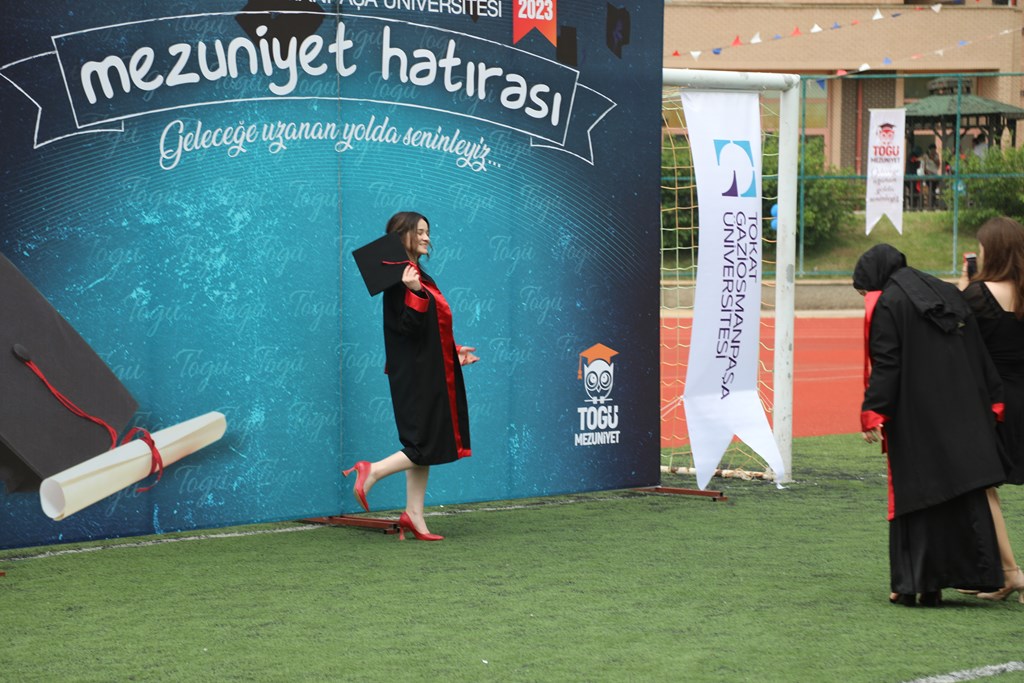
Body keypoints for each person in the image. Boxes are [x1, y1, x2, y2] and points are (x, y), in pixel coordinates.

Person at [855, 244, 1006, 606]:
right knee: (960, 492)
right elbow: (977, 350)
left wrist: (873, 410)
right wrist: (993, 396)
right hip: (963, 409)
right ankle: (956, 579)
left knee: (916, 493)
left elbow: (887, 363)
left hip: (916, 415)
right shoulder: (946, 292)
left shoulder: (889, 302)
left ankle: (913, 584)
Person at [343, 211, 479, 541]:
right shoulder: (400, 280)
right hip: (415, 375)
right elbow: (405, 330)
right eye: (419, 232)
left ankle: (414, 515)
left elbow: (430, 329)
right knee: (423, 444)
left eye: (427, 232)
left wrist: (453, 351)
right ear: (401, 235)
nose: (426, 238)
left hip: (429, 369)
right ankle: (371, 471)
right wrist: (415, 292)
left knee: (424, 444)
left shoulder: (419, 276)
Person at [959, 216, 1024, 602]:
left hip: (994, 401)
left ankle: (1010, 572)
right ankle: (1000, 574)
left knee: (981, 482)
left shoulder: (977, 295)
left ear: (993, 251)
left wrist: (962, 288)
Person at [920, 144, 942, 208]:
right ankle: (930, 204)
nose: (933, 151)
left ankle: (934, 203)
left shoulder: (936, 156)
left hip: (935, 175)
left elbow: (938, 165)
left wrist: (933, 158)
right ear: (929, 150)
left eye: (934, 150)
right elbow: (924, 168)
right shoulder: (925, 156)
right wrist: (929, 173)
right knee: (930, 189)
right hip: (928, 175)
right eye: (932, 150)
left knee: (934, 189)